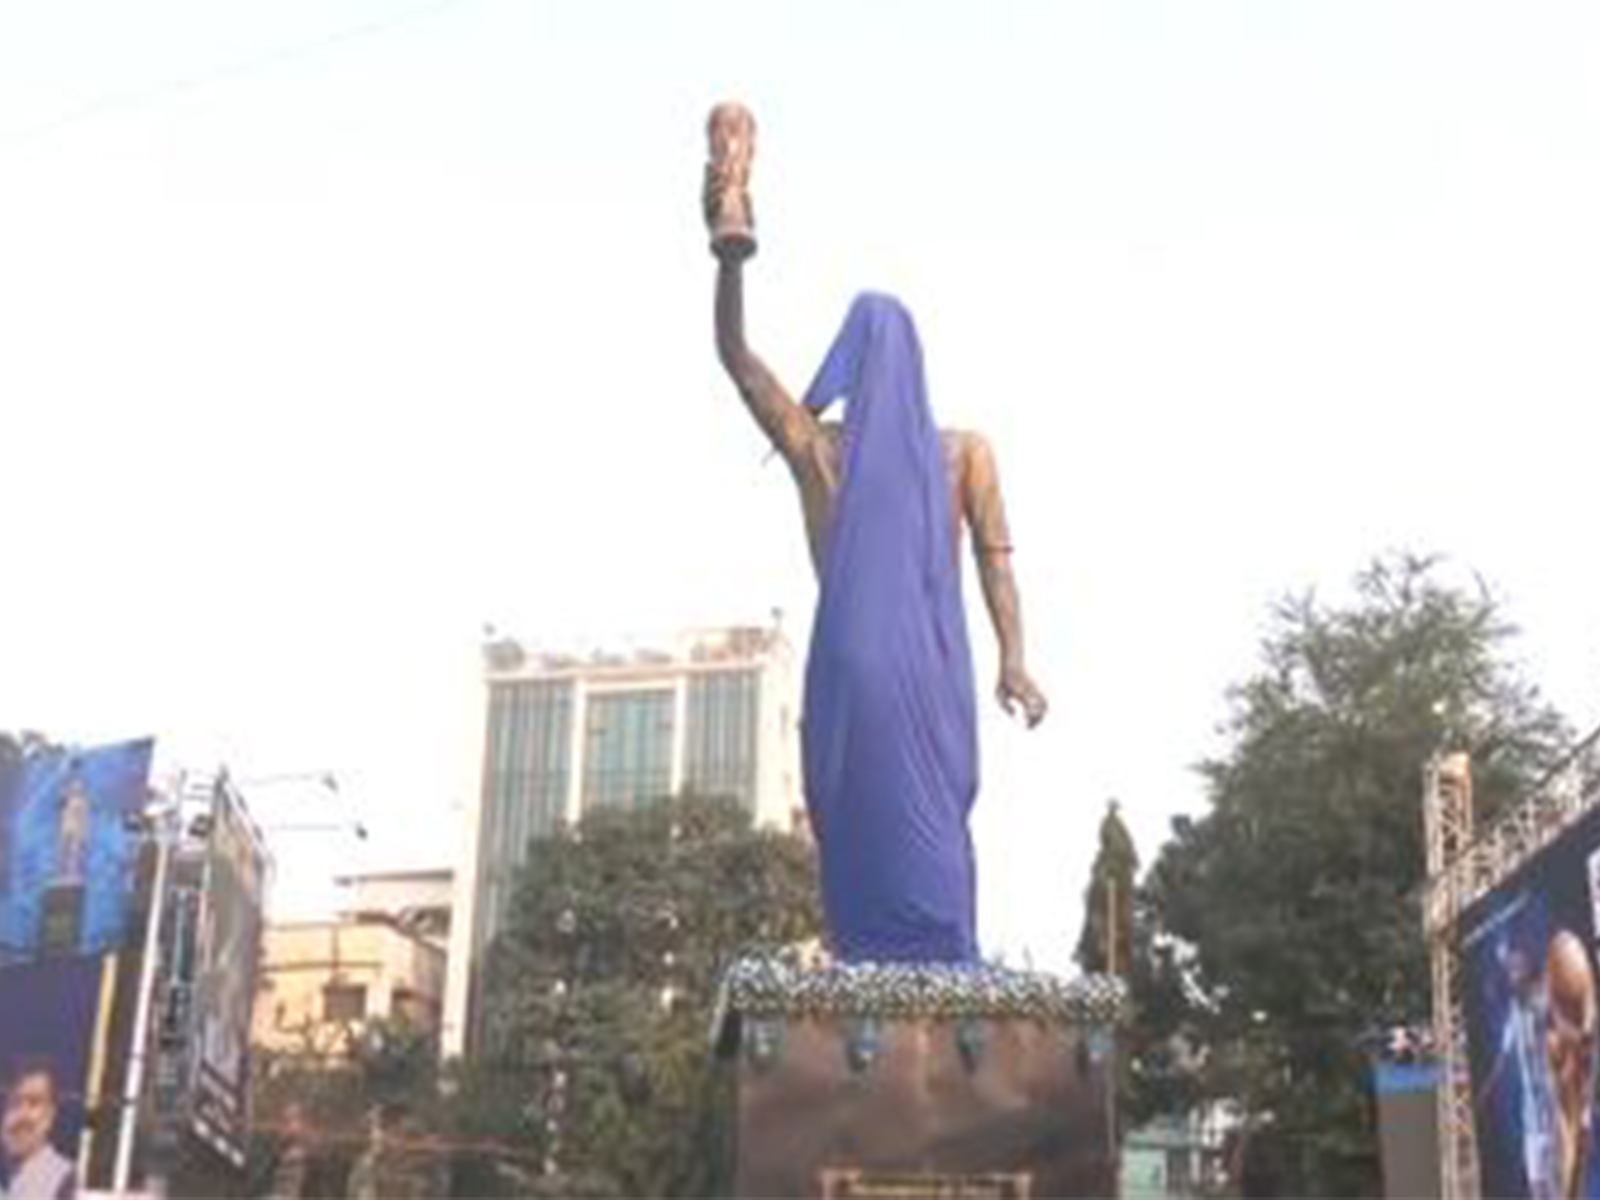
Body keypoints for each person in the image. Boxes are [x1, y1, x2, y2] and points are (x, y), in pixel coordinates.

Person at [710, 223, 1048, 963]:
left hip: (860, 678)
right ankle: (927, 965)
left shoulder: (820, 448)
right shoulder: (962, 453)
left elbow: (738, 360)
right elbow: (997, 567)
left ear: (851, 368)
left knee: (880, 825)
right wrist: (1012, 660)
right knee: (932, 835)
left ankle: (885, 967)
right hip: (926, 676)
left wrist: (729, 260)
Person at [1478, 942, 1563, 1200]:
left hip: (1552, 1107)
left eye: (1518, 966)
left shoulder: (1542, 1000)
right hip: (1531, 1116)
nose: (1514, 973)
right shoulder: (1514, 1012)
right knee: (1537, 1184)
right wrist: (1487, 1088)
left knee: (1558, 1178)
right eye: (1511, 969)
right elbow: (1503, 1056)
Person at [1, 1059, 76, 1200]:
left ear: (50, 1114)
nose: (22, 1115)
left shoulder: (62, 1179)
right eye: (14, 1102)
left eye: (34, 1103)